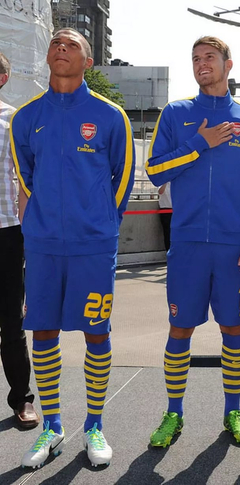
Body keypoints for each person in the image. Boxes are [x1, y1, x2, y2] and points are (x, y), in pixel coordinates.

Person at [11, 28, 134, 468]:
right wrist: (40, 223)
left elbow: (123, 175)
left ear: (88, 61)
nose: (61, 47)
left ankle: (94, 425)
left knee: (96, 333)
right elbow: (26, 175)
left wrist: (103, 223)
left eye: (72, 44)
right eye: (55, 43)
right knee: (42, 332)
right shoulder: (26, 117)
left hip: (92, 245)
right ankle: (53, 427)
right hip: (43, 245)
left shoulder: (110, 115)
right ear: (48, 56)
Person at [146, 36, 240, 447]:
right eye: (196, 58)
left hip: (233, 246)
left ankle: (233, 411)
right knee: (180, 328)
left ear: (228, 64)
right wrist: (200, 143)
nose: (202, 64)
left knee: (233, 328)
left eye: (210, 57)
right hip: (188, 243)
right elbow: (155, 170)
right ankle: (173, 413)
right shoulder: (176, 113)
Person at [0, 51, 40, 430]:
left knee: (11, 322)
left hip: (7, 234)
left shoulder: (14, 121)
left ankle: (22, 400)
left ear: (3, 78)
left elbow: (28, 178)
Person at [157, 182, 172, 251]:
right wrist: (165, 182)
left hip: (175, 209)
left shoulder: (175, 182)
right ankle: (168, 250)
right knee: (167, 232)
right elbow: (160, 191)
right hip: (165, 209)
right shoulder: (162, 182)